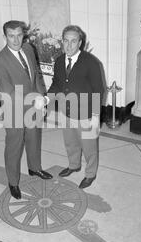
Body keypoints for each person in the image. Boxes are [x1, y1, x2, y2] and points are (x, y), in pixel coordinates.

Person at [0, 20, 53, 200]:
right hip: (15, 111)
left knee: (34, 139)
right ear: (5, 37)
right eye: (11, 36)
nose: (16, 40)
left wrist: (42, 97)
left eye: (19, 35)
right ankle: (13, 182)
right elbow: (9, 92)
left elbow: (36, 76)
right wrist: (36, 101)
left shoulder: (28, 49)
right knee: (14, 147)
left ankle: (34, 168)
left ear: (23, 35)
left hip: (34, 106)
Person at [39, 25, 104, 189]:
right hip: (65, 111)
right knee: (70, 142)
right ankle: (74, 165)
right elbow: (57, 84)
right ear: (62, 41)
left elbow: (98, 90)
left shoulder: (91, 62)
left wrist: (96, 116)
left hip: (86, 114)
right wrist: (46, 98)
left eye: (73, 41)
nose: (69, 45)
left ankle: (90, 174)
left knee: (89, 147)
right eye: (66, 41)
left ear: (80, 43)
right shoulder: (60, 61)